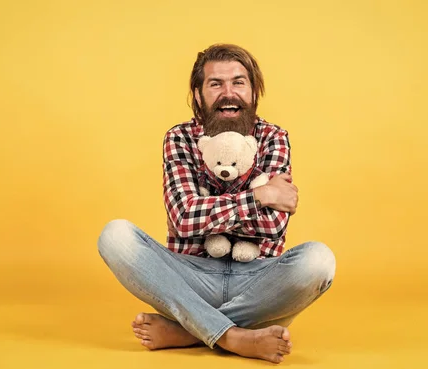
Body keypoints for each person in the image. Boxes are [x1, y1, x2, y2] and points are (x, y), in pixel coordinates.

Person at [97, 44, 336, 364]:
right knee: (115, 236)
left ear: (253, 92)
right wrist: (259, 197)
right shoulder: (179, 138)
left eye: (238, 82)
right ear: (198, 94)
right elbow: (184, 218)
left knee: (319, 261)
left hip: (259, 282)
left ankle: (188, 330)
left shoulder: (273, 137)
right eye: (215, 84)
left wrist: (208, 211)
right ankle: (234, 336)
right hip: (189, 276)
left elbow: (273, 226)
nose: (229, 93)